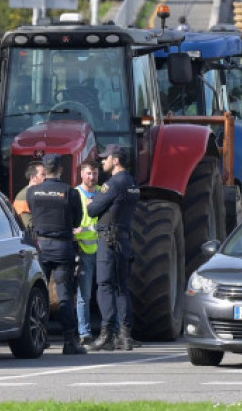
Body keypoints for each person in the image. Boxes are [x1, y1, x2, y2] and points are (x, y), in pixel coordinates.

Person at [26, 154, 86, 355]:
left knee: (38, 294)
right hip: (62, 248)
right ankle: (70, 342)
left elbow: (32, 214)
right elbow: (77, 222)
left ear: (45, 168)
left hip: (41, 247)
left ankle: (39, 339)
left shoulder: (32, 192)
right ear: (60, 169)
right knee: (65, 296)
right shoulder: (69, 192)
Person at [87, 144, 140, 351]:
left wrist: (94, 201)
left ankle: (106, 334)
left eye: (105, 158)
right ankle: (125, 336)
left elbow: (92, 210)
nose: (102, 161)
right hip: (124, 238)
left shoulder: (113, 184)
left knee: (104, 286)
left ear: (115, 160)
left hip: (108, 240)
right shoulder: (132, 183)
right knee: (122, 288)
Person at [73, 159, 100, 347]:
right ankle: (85, 332)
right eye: (88, 173)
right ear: (81, 174)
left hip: (104, 250)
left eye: (95, 173)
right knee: (85, 295)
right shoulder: (75, 194)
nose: (92, 177)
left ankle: (111, 330)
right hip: (84, 251)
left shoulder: (103, 193)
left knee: (108, 292)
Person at [12, 161, 46, 230]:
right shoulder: (23, 197)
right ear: (33, 177)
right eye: (43, 175)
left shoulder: (41, 193)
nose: (46, 178)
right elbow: (28, 226)